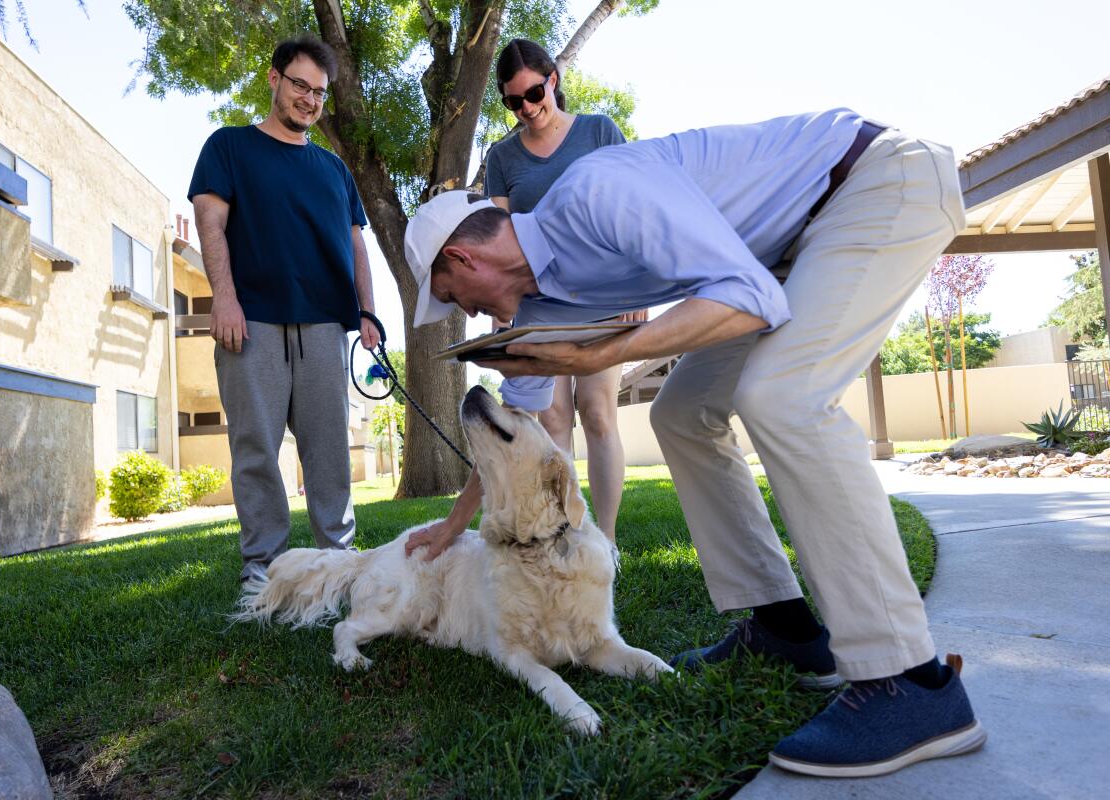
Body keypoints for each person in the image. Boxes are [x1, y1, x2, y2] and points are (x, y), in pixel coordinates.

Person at [402, 110, 985, 777]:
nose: (469, 315)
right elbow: (514, 426)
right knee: (681, 413)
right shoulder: (543, 306)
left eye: (454, 296)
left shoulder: (595, 193)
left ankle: (910, 680)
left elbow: (749, 297)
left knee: (783, 397)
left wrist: (603, 355)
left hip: (873, 183)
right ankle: (785, 630)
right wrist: (453, 524)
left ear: (463, 256)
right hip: (781, 253)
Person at [407, 40, 635, 557]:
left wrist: (632, 285)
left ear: (552, 79)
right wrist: (502, 318)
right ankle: (568, 532)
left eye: (534, 93)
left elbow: (630, 206)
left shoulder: (599, 131)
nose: (527, 108)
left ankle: (607, 540)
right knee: (550, 421)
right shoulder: (503, 156)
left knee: (598, 413)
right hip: (540, 304)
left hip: (604, 294)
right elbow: (497, 237)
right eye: (514, 102)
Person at [189, 34, 378, 584]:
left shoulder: (334, 170)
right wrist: (224, 299)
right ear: (274, 79)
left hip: (323, 325)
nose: (310, 100)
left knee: (329, 455)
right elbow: (210, 224)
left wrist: (367, 312)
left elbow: (356, 244)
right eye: (300, 85)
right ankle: (262, 571)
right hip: (251, 324)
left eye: (319, 92)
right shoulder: (227, 147)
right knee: (256, 452)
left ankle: (338, 564)